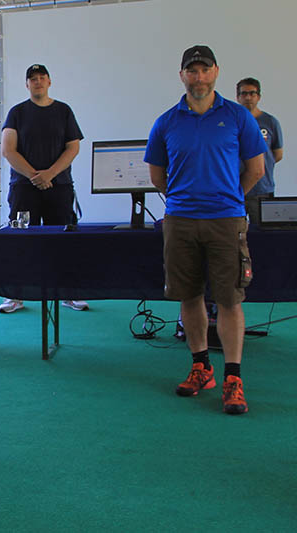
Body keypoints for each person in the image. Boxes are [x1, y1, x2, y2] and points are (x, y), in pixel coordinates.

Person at [144, 45, 266, 415]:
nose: (199, 77)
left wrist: (226, 200)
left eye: (205, 70)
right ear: (182, 75)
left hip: (226, 221)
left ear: (216, 72)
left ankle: (233, 378)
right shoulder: (166, 122)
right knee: (189, 295)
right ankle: (201, 367)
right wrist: (188, 202)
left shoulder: (238, 117)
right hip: (180, 221)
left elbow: (256, 169)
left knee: (229, 298)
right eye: (191, 71)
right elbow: (157, 176)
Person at [0, 63, 88, 314]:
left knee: (62, 239)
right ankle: (15, 294)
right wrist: (34, 176)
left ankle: (68, 291)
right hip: (23, 188)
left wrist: (50, 174)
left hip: (58, 186)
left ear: (49, 82)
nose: (37, 82)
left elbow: (73, 147)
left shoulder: (63, 111)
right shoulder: (17, 113)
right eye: (32, 79)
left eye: (42, 78)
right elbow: (8, 149)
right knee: (20, 240)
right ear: (26, 84)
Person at [235, 77, 284, 224]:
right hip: (236, 189)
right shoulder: (231, 121)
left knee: (265, 235)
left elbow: (277, 154)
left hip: (262, 189)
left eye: (252, 93)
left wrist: (257, 165)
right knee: (234, 235)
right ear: (237, 97)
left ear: (259, 96)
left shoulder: (270, 122)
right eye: (244, 94)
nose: (248, 97)